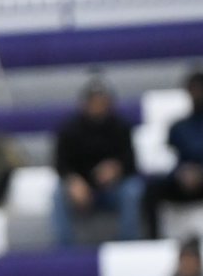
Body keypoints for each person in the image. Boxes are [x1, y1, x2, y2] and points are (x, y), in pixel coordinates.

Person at [51, 81, 144, 246]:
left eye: (102, 102)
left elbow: (132, 162)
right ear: (84, 104)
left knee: (133, 190)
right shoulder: (69, 129)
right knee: (58, 194)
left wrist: (117, 168)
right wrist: (74, 181)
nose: (98, 107)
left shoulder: (121, 127)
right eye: (94, 102)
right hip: (82, 190)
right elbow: (60, 163)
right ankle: (65, 248)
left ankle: (129, 244)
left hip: (113, 189)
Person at [141, 69, 203, 239]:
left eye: (200, 89)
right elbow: (168, 157)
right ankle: (152, 239)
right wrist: (181, 173)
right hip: (182, 179)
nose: (196, 94)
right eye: (192, 90)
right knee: (151, 189)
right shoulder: (179, 126)